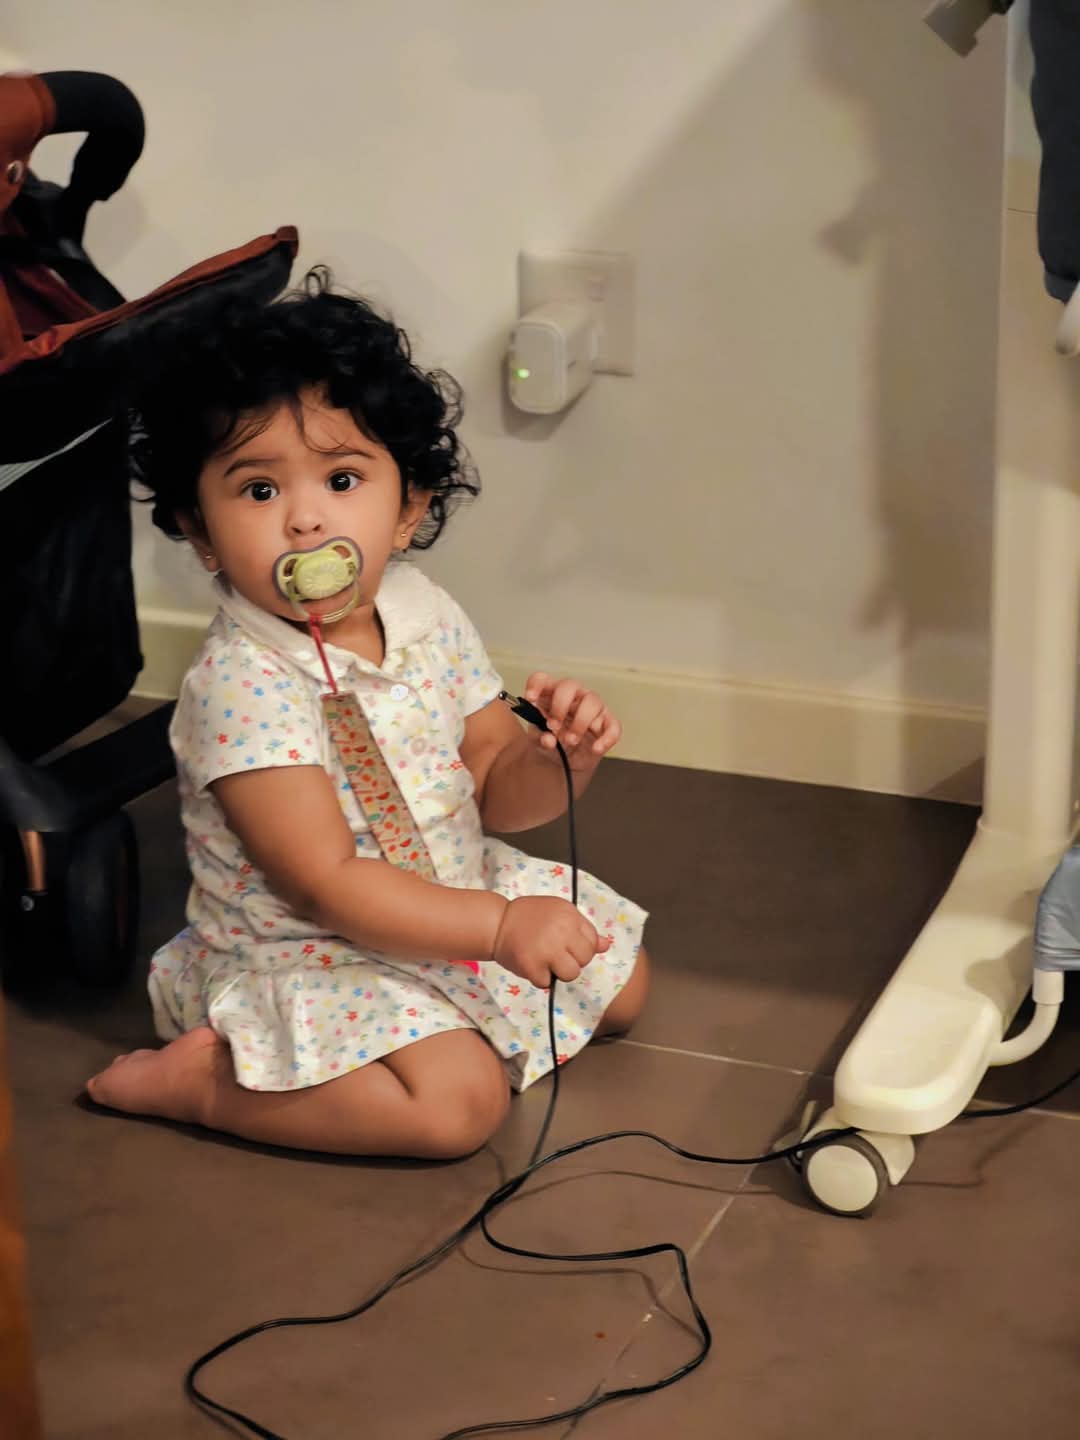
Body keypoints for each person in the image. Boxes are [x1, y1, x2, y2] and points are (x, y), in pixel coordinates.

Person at [86, 271, 649, 1159]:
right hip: (313, 945)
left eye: (342, 478)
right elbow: (329, 881)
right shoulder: (244, 682)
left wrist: (555, 761)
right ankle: (202, 1084)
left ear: (408, 509)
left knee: (622, 983)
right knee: (453, 1109)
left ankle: (443, 1012)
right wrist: (498, 929)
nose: (306, 521)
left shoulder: (427, 616)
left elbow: (494, 776)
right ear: (200, 531)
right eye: (259, 491)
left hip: (447, 888)